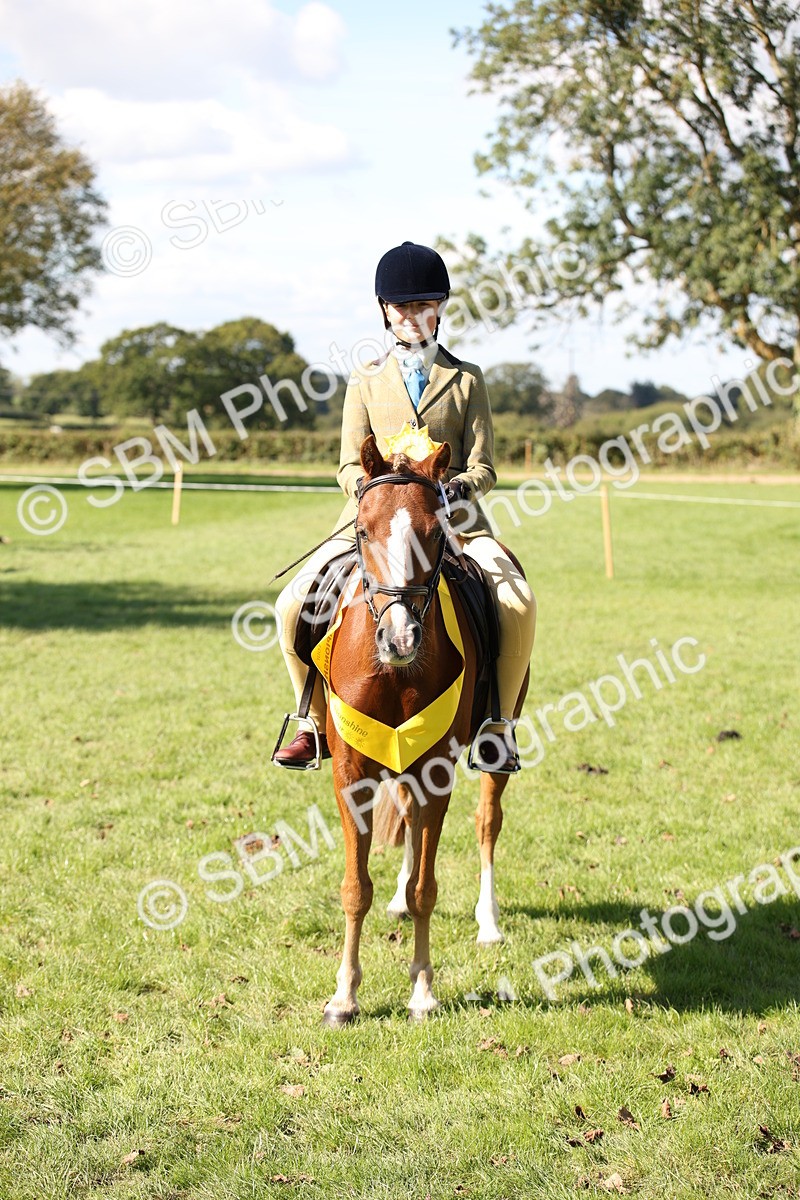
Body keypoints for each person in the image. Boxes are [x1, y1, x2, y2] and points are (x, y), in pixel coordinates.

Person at [273, 240, 536, 771]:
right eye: (402, 307)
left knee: (517, 602)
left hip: (450, 522)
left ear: (439, 310)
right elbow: (348, 464)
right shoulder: (366, 379)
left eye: (423, 306)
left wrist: (455, 489)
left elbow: (484, 465)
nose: (412, 316)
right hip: (371, 524)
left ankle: (497, 725)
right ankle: (312, 723)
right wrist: (374, 494)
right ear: (385, 312)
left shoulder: (466, 379)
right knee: (291, 603)